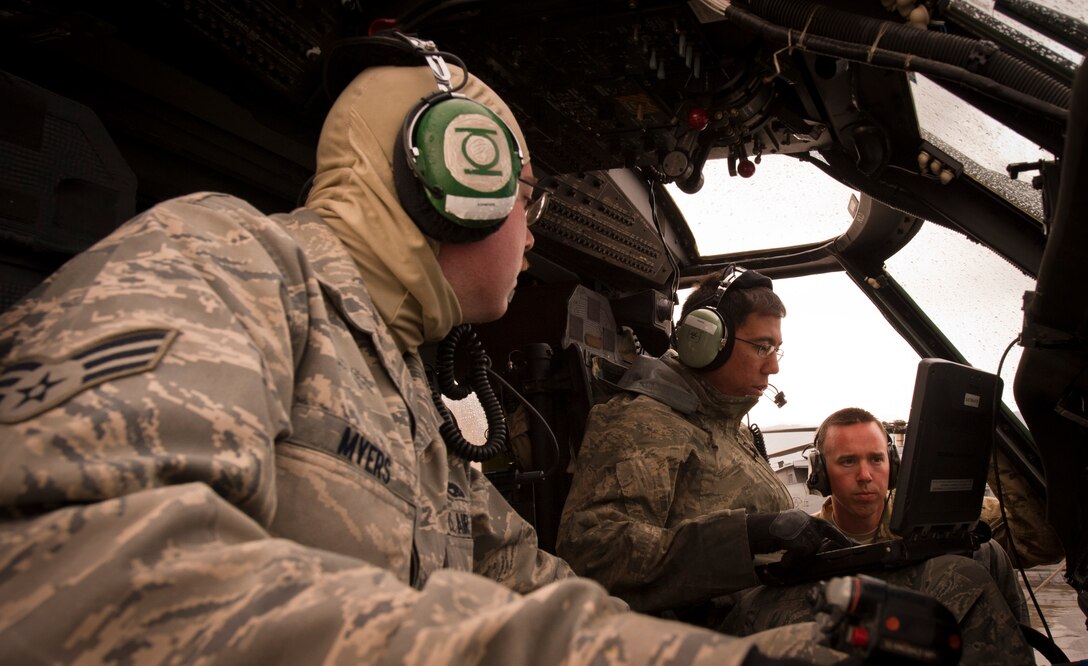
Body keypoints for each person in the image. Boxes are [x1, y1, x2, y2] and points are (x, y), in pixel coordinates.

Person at [0, 35, 840, 665]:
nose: (530, 229)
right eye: (527, 198)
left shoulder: (403, 387)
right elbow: (76, 582)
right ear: (458, 177)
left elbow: (533, 582)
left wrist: (778, 650)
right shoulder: (223, 260)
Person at [556, 266, 1035, 665]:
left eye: (776, 349)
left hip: (779, 599)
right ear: (707, 341)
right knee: (960, 584)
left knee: (975, 561)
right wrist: (748, 537)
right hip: (724, 629)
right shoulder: (644, 420)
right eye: (762, 347)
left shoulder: (727, 426)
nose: (774, 366)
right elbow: (591, 550)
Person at [807, 407, 1028, 623]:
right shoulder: (807, 547)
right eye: (848, 461)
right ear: (820, 472)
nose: (865, 476)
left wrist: (978, 444)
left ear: (892, 465)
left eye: (876, 459)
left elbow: (1039, 540)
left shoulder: (937, 521)